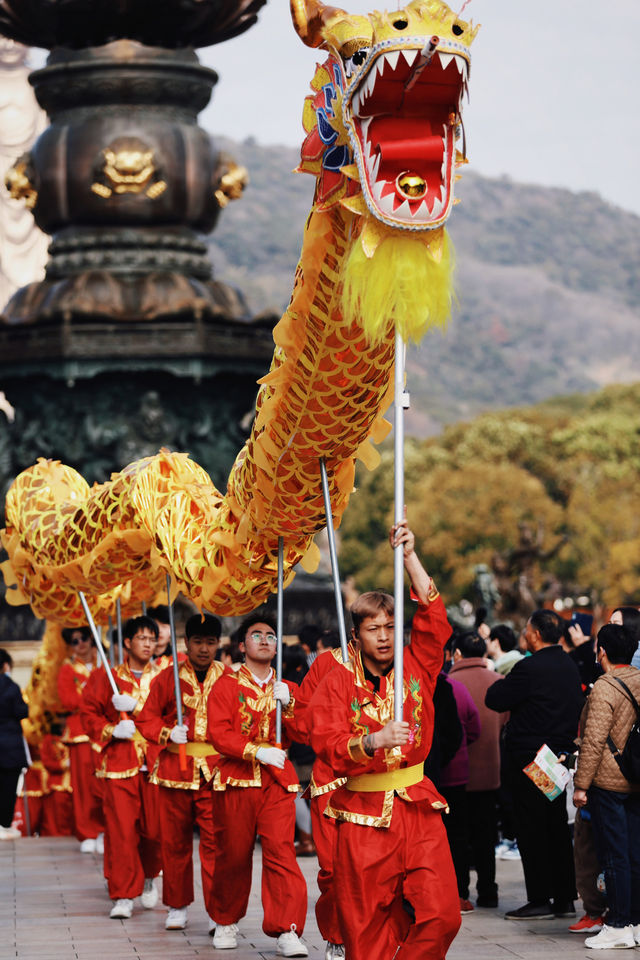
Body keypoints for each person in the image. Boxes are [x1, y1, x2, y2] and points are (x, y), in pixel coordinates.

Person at [308, 520, 460, 960]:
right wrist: (372, 740)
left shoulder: (419, 666)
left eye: (392, 627)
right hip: (362, 819)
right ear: (356, 635)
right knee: (365, 931)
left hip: (418, 809)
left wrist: (409, 556)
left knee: (443, 916)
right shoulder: (336, 681)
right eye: (374, 629)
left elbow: (434, 618)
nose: (385, 636)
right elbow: (326, 741)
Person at [207, 613, 308, 957]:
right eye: (256, 635)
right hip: (237, 780)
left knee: (281, 852)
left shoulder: (286, 687)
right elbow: (218, 733)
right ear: (242, 645)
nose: (265, 640)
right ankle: (225, 919)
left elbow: (305, 732)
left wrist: (291, 705)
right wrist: (256, 751)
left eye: (271, 635)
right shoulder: (226, 684)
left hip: (276, 782)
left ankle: (287, 928)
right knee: (234, 854)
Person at [485, 608, 584, 920]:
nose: (523, 635)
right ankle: (565, 896)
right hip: (556, 759)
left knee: (531, 828)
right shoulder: (568, 664)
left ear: (537, 634)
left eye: (526, 630)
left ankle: (540, 897)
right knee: (555, 825)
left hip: (531, 759)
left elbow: (495, 697)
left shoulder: (530, 668)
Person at [136, 613, 224, 933]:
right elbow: (145, 718)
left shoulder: (227, 679)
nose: (204, 649)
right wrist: (165, 733)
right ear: (186, 643)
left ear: (219, 644)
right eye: (198, 642)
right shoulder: (167, 678)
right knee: (174, 841)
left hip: (214, 772)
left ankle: (219, 912)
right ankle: (177, 904)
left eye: (210, 642)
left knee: (216, 843)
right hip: (175, 769)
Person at [81, 615, 163, 919]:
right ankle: (123, 894)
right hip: (119, 764)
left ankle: (150, 875)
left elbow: (171, 717)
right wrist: (111, 730)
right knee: (120, 831)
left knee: (155, 831)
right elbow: (88, 713)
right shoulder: (108, 677)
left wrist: (138, 710)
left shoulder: (165, 677)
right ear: (127, 643)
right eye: (141, 638)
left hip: (156, 763)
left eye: (152, 639)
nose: (147, 644)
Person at [573, 624, 640, 950]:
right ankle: (636, 921)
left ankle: (617, 924)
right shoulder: (639, 680)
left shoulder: (604, 687)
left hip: (609, 783)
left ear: (602, 652)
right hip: (635, 779)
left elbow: (593, 741)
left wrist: (581, 785)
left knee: (614, 858)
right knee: (634, 854)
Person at [449, 631, 508, 909]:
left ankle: (460, 891)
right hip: (491, 772)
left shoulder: (450, 684)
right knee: (486, 836)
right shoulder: (499, 682)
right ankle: (488, 891)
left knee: (458, 836)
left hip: (456, 775)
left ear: (456, 654)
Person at [439, 653, 481, 915]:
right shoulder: (457, 687)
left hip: (431, 776)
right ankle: (460, 892)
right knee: (457, 836)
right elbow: (474, 729)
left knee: (440, 837)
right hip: (456, 774)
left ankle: (442, 893)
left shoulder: (410, 685)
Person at [57, 626, 105, 853]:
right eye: (75, 641)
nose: (81, 643)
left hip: (104, 732)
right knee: (84, 786)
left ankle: (105, 830)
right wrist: (92, 694)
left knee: (105, 783)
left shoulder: (105, 662)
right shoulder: (67, 670)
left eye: (84, 638)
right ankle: (87, 832)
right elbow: (68, 701)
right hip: (80, 735)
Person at [0, 649, 28, 840]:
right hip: (10, 746)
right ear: (6, 666)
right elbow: (22, 711)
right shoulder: (12, 686)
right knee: (9, 787)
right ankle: (4, 824)